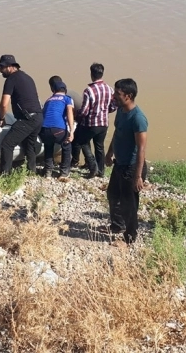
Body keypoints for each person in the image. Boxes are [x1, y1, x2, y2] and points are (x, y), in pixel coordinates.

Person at [104, 79, 148, 247]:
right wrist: (109, 153)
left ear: (128, 96)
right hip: (119, 164)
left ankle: (129, 238)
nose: (114, 96)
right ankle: (117, 226)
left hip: (132, 167)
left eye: (117, 93)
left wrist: (138, 176)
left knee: (129, 204)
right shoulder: (121, 111)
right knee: (113, 195)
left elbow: (141, 149)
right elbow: (117, 133)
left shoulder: (138, 119)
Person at [0, 55, 42, 175]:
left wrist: (1, 118)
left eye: (2, 67)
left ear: (10, 67)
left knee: (7, 144)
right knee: (29, 144)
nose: (0, 70)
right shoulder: (27, 77)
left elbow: (4, 104)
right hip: (38, 116)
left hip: (27, 118)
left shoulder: (11, 79)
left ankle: (5, 175)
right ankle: (31, 171)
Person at [72, 63, 117, 179]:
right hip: (104, 123)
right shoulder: (110, 89)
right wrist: (104, 112)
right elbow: (113, 106)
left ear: (91, 74)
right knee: (99, 146)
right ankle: (101, 171)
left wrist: (77, 116)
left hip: (91, 123)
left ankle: (93, 167)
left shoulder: (89, 91)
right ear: (102, 73)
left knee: (82, 142)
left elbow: (85, 111)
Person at [39, 76, 75, 178]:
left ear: (53, 90)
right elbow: (69, 113)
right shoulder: (67, 99)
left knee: (48, 145)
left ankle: (48, 171)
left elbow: (44, 114)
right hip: (58, 130)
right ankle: (64, 173)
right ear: (65, 90)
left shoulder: (48, 100)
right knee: (67, 144)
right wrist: (71, 131)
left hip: (44, 130)